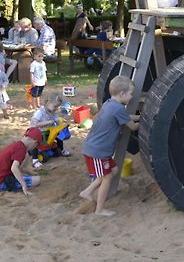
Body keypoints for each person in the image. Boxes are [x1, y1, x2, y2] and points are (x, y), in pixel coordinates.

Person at [80, 75, 140, 216]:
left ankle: (87, 192)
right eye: (131, 94)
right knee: (107, 178)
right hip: (97, 152)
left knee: (112, 171)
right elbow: (132, 127)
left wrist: (139, 117)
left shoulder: (109, 104)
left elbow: (125, 117)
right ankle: (99, 210)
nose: (132, 97)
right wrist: (146, 121)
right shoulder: (118, 109)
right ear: (122, 94)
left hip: (96, 149)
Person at [30, 94, 71, 168]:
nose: (56, 108)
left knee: (59, 136)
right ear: (48, 103)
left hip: (49, 131)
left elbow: (58, 121)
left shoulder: (53, 112)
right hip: (38, 132)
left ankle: (61, 150)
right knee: (35, 143)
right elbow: (34, 124)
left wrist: (62, 126)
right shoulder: (40, 112)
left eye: (57, 107)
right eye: (55, 106)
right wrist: (48, 122)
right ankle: (35, 159)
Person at [0, 127, 42, 195]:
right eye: (36, 145)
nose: (34, 148)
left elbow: (19, 167)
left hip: (3, 175)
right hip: (2, 181)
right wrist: (24, 185)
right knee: (37, 180)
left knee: (33, 177)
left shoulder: (18, 144)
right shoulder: (21, 149)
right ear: (34, 142)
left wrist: (29, 172)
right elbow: (14, 168)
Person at [0, 42, 17, 119]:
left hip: (1, 90)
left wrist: (3, 86)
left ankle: (5, 113)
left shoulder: (1, 73)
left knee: (3, 101)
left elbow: (6, 81)